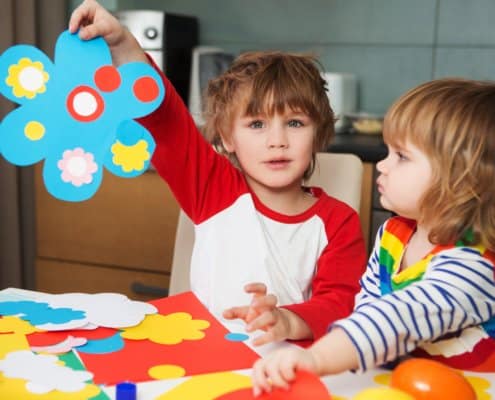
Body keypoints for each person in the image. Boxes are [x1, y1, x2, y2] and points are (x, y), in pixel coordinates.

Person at [69, 0, 367, 344]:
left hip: (288, 369)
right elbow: (164, 119)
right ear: (227, 137)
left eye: (295, 123)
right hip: (204, 363)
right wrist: (122, 44)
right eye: (257, 124)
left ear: (319, 132)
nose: (277, 141)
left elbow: (341, 305)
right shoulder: (212, 188)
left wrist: (285, 320)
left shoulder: (338, 222)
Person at [251, 78, 495, 395]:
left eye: (402, 156)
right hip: (401, 383)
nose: (383, 164)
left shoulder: (473, 265)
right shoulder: (394, 235)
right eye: (388, 152)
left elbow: (397, 318)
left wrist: (316, 357)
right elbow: (367, 309)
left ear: (462, 179)